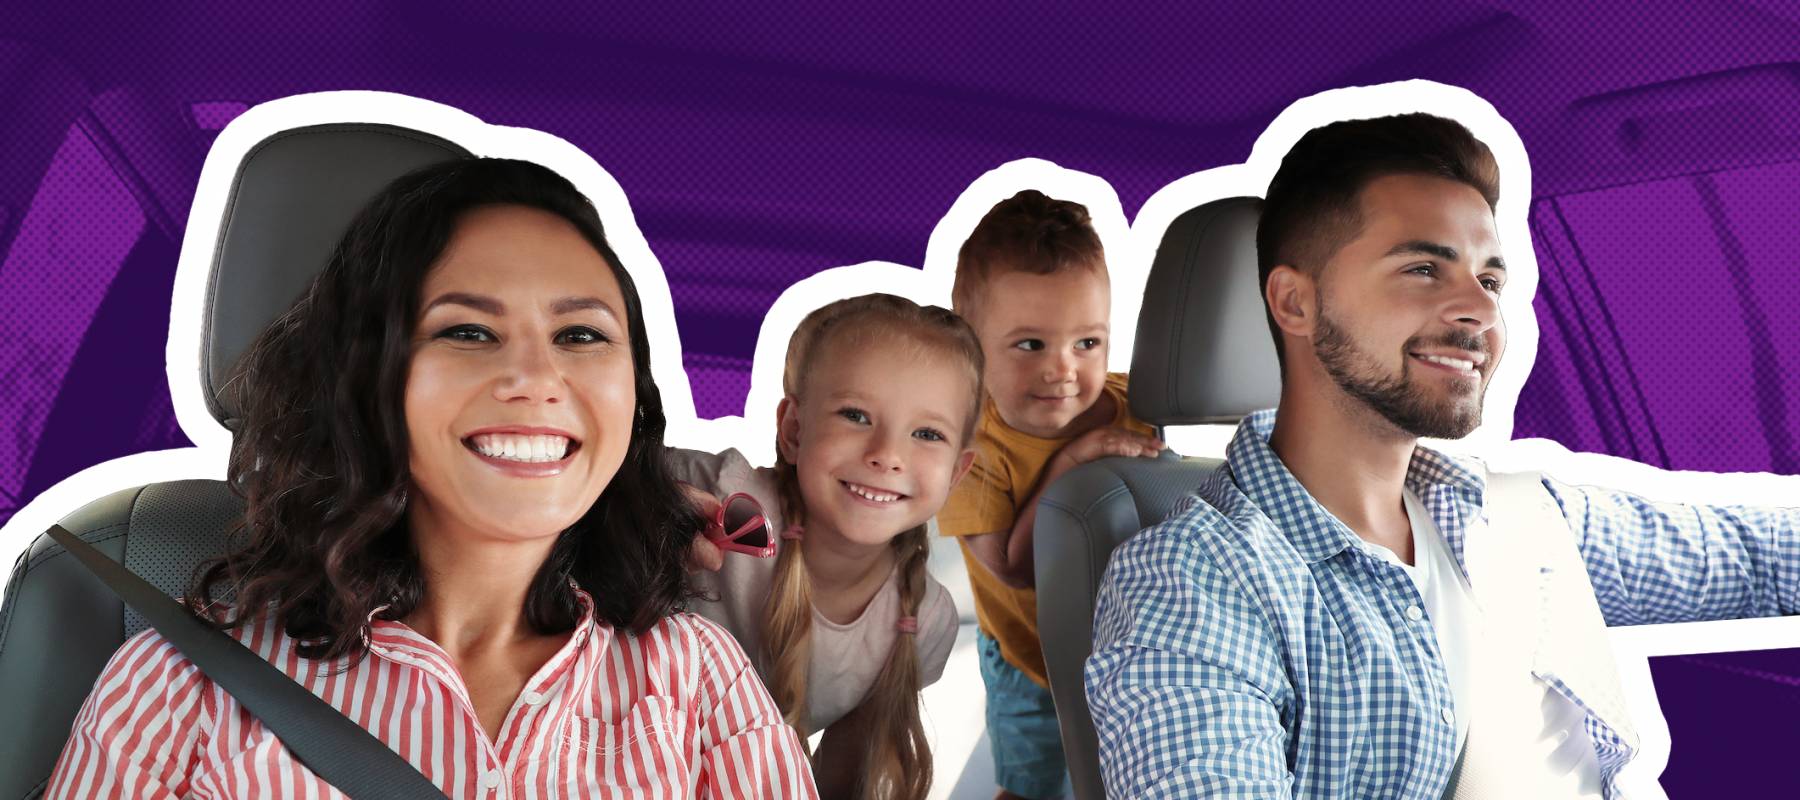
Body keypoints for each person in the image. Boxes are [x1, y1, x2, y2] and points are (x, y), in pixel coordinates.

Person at [46, 158, 816, 798]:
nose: (538, 377)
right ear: (367, 380)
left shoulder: (698, 683)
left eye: (582, 334)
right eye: (468, 331)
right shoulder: (180, 686)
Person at [1085, 112, 1800, 798]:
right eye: (1424, 269)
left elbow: (1756, 558)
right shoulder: (1191, 583)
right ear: (1294, 303)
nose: (1482, 312)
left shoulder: (1518, 515)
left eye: (1490, 280)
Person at [670, 293, 979, 800]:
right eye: (855, 415)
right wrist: (641, 508)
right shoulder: (724, 499)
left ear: (957, 473)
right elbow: (598, 476)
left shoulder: (924, 622)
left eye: (926, 433)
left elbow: (839, 775)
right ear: (793, 430)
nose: (887, 455)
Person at [937, 190, 1163, 800]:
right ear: (971, 342)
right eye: (1031, 344)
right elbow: (1012, 570)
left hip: (1126, 657)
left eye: (1087, 343)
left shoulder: (1138, 406)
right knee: (1031, 784)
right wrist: (1069, 463)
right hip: (1027, 663)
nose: (1063, 369)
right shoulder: (970, 445)